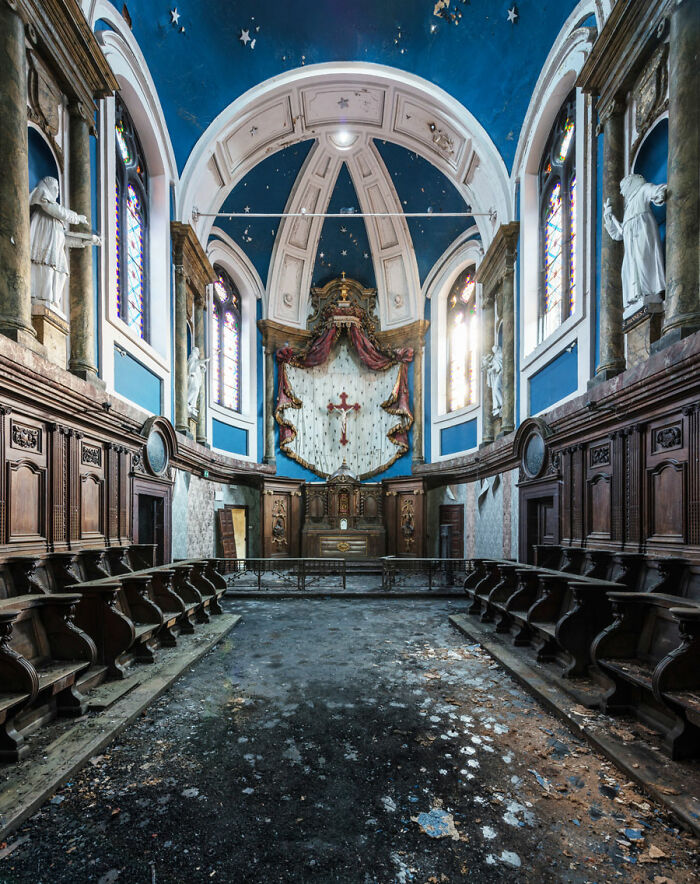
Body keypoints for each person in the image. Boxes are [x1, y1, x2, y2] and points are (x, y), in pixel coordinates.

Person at [603, 173, 667, 312]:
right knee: (628, 270)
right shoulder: (628, 207)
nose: (621, 192)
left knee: (644, 262)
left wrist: (660, 193)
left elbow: (656, 191)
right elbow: (618, 234)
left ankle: (650, 293)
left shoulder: (642, 190)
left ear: (630, 183)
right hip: (631, 246)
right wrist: (608, 216)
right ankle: (637, 296)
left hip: (643, 235)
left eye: (622, 187)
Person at [29, 176, 86, 312]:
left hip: (56, 246)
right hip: (44, 240)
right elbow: (57, 211)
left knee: (62, 270)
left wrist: (85, 240)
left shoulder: (55, 213)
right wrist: (77, 218)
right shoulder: (42, 195)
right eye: (56, 188)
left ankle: (52, 299)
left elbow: (63, 237)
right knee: (45, 265)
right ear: (48, 186)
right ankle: (42, 297)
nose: (58, 192)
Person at [482, 343, 503, 416]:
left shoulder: (500, 355)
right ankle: (498, 406)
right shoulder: (495, 357)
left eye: (495, 350)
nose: (494, 352)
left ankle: (503, 404)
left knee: (496, 388)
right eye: (493, 351)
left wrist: (492, 369)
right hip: (498, 374)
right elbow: (494, 364)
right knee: (495, 389)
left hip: (501, 373)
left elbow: (499, 365)